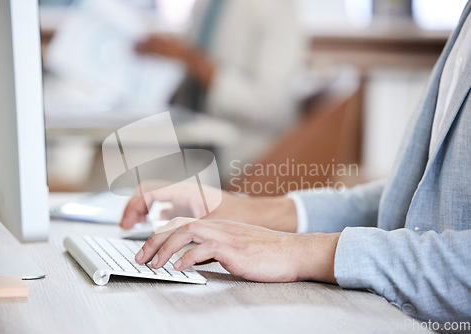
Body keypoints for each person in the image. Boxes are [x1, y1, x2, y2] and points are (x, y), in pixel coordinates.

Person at [121, 1, 471, 324]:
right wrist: (256, 213)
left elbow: (271, 108)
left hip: (250, 156)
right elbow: (415, 202)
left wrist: (299, 250)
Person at [136, 0, 303, 130]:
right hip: (190, 132)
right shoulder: (208, 4)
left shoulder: (276, 7)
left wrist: (191, 59)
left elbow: (271, 107)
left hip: (246, 155)